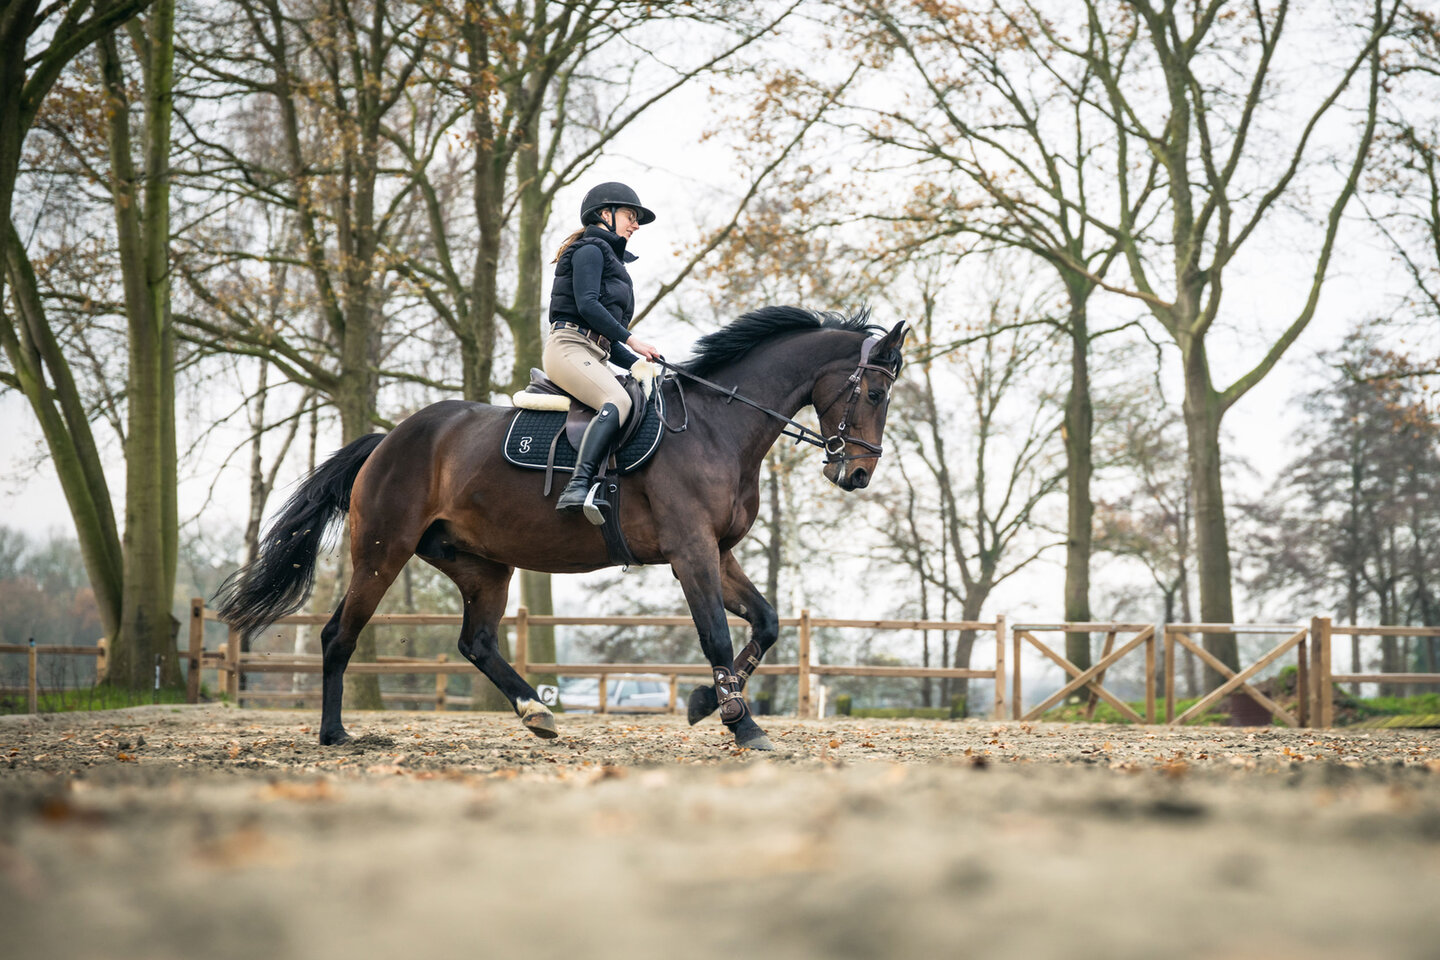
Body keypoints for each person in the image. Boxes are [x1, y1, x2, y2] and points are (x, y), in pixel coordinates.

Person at [544, 181, 664, 516]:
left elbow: (606, 339)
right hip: (568, 346)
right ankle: (578, 486)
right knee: (617, 401)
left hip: (594, 352)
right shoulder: (589, 251)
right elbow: (587, 306)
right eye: (630, 215)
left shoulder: (613, 261)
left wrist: (640, 362)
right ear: (604, 214)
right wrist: (632, 340)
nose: (635, 224)